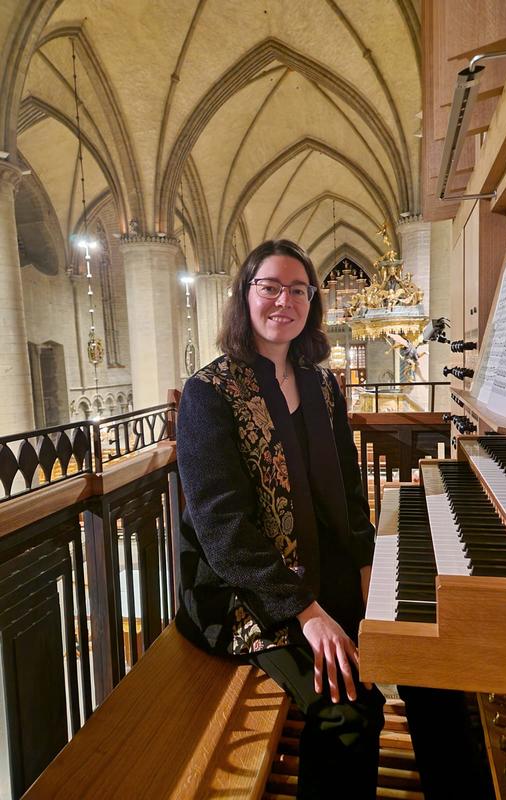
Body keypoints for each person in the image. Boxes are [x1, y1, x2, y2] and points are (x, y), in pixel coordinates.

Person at [175, 239, 385, 799]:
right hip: (244, 592)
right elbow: (222, 528)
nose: (283, 301)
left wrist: (366, 566)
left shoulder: (322, 385)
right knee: (347, 716)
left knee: (397, 679)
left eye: (298, 289)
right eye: (269, 287)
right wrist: (306, 611)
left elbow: (348, 488)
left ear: (311, 302)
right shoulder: (209, 392)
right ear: (246, 296)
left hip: (323, 574)